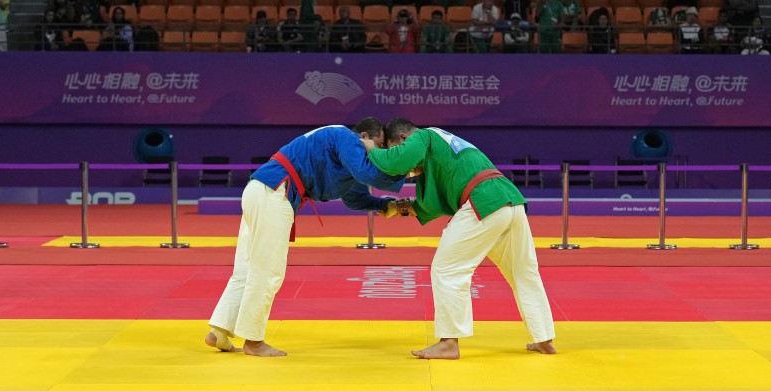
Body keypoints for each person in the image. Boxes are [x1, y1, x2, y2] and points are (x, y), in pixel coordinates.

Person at [205, 119, 409, 357]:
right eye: (380, 144)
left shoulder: (348, 160)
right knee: (268, 271)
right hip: (274, 190)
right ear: (364, 135)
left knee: (247, 269)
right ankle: (253, 340)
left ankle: (218, 331)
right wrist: (408, 169)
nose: (381, 152)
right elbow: (368, 172)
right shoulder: (346, 137)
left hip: (263, 190)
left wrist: (389, 205)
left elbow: (356, 199)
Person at [363, 119, 556, 360]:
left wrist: (370, 148)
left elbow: (396, 162)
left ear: (403, 139)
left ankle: (448, 342)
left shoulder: (422, 136)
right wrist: (399, 208)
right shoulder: (444, 144)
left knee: (448, 269)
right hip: (509, 200)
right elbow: (430, 205)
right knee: (523, 272)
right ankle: (544, 338)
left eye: (392, 147)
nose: (407, 169)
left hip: (483, 200)